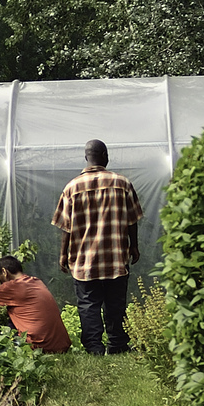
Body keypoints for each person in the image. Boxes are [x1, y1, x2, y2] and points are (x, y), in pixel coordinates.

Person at [52, 138, 143, 356]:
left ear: (86, 158)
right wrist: (134, 247)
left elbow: (66, 226)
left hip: (84, 260)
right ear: (105, 156)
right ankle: (117, 344)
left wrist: (63, 254)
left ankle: (94, 347)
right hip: (115, 257)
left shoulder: (71, 188)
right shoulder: (122, 183)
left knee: (88, 304)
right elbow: (132, 220)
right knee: (115, 303)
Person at [0, 255, 72, 353]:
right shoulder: (36, 281)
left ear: (4, 272)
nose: (0, 281)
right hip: (61, 345)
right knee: (12, 314)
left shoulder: (11, 286)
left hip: (39, 346)